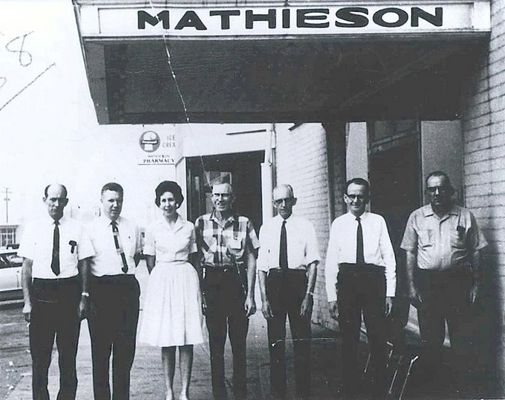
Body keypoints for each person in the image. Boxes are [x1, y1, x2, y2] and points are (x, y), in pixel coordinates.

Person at [400, 171, 487, 385]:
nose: (437, 193)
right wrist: (411, 286)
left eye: (441, 188)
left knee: (461, 337)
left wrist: (476, 284)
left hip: (458, 281)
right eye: (432, 189)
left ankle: (461, 389)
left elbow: (476, 250)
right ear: (427, 192)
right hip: (428, 283)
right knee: (431, 339)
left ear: (449, 190)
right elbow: (410, 252)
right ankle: (435, 388)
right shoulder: (416, 217)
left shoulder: (465, 216)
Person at [19, 184, 94, 400]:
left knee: (68, 360)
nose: (56, 204)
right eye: (52, 199)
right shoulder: (33, 228)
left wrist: (84, 296)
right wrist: (27, 301)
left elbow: (84, 265)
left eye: (61, 200)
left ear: (66, 202)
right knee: (40, 361)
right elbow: (27, 267)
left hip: (69, 294)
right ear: (44, 200)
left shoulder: (77, 228)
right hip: (42, 294)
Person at [325, 178, 396, 400]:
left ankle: (378, 389)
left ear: (367, 198)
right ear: (345, 198)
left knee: (377, 336)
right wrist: (331, 296)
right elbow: (331, 262)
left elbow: (390, 258)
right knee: (349, 337)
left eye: (360, 196)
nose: (356, 200)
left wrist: (390, 293)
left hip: (373, 280)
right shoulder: (339, 224)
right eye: (351, 196)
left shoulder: (378, 222)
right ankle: (350, 389)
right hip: (348, 281)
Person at [138, 181, 204, 400]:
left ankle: (184, 391)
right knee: (167, 337)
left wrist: (197, 288)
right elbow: (149, 260)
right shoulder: (153, 228)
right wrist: (161, 280)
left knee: (186, 336)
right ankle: (169, 390)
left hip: (185, 278)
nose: (167, 204)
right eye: (163, 200)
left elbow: (194, 257)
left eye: (171, 200)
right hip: (162, 279)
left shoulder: (189, 227)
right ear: (159, 202)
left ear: (178, 201)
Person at [195, 182, 259, 400]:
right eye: (216, 195)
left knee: (239, 345)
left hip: (236, 281)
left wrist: (250, 294)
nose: (219, 199)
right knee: (216, 346)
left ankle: (240, 394)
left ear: (233, 198)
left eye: (224, 195)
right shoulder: (201, 223)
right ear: (211, 197)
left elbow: (251, 257)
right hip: (212, 282)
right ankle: (219, 395)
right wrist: (200, 294)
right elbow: (195, 260)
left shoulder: (244, 223)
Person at [257, 184, 320, 399]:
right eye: (278, 201)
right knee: (276, 342)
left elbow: (312, 262)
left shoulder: (305, 226)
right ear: (274, 203)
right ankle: (278, 394)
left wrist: (308, 295)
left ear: (294, 200)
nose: (283, 205)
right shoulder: (267, 227)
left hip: (297, 283)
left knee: (302, 343)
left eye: (287, 200)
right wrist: (264, 299)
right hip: (275, 284)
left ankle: (303, 394)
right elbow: (262, 267)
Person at [86, 182, 142, 400]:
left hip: (127, 290)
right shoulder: (90, 229)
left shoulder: (132, 226)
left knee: (125, 354)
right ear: (101, 201)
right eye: (110, 200)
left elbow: (135, 255)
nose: (115, 205)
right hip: (101, 291)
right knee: (101, 355)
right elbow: (86, 264)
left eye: (119, 200)